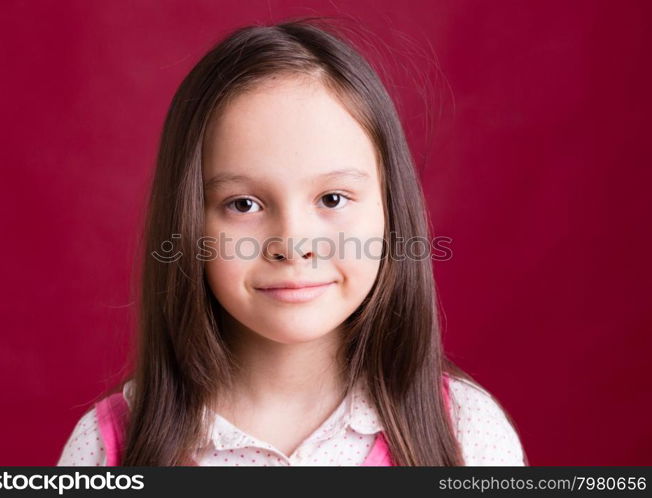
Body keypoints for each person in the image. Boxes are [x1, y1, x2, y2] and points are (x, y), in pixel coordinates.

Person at [56, 17, 527, 467]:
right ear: (189, 225)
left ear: (390, 211)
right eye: (244, 205)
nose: (293, 243)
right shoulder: (110, 446)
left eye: (333, 197)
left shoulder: (464, 433)